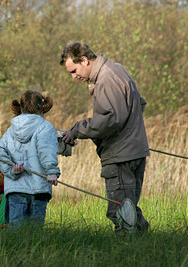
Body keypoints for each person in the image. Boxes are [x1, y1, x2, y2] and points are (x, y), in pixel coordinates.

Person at [59, 41, 150, 234]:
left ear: (84, 60)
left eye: (73, 71)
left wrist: (77, 129)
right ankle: (147, 246)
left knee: (121, 214)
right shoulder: (117, 69)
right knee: (129, 210)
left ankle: (127, 255)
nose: (74, 77)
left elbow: (110, 119)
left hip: (120, 156)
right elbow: (138, 104)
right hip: (134, 150)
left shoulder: (106, 78)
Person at [0, 90, 60, 228]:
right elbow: (46, 150)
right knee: (35, 233)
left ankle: (17, 250)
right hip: (39, 190)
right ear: (42, 107)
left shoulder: (10, 131)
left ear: (21, 107)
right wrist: (51, 171)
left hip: (16, 190)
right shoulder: (45, 127)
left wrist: (11, 170)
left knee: (17, 233)